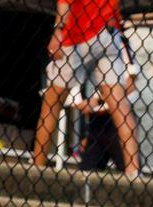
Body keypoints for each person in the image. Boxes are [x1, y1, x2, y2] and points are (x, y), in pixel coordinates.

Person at [31, 0, 139, 177]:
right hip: (108, 33)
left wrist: (58, 30)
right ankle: (133, 171)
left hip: (79, 33)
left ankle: (37, 167)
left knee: (51, 104)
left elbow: (65, 3)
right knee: (121, 107)